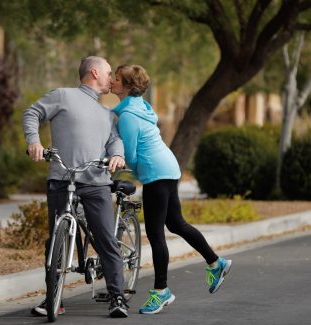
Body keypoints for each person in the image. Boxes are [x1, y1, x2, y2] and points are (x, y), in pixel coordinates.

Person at [111, 64, 232, 315]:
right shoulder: (141, 106)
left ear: (127, 86)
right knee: (176, 223)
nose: (112, 81)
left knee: (156, 235)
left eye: (117, 78)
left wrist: (117, 168)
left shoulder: (129, 117)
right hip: (168, 167)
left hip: (156, 173)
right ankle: (215, 262)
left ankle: (161, 291)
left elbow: (131, 155)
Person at [23, 56, 129, 318]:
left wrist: (117, 155)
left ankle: (117, 297)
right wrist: (34, 142)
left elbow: (115, 140)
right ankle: (54, 299)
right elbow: (32, 112)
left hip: (95, 182)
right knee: (55, 242)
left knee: (106, 239)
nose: (112, 80)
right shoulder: (63, 96)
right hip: (62, 179)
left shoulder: (106, 114)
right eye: (108, 73)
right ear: (94, 72)